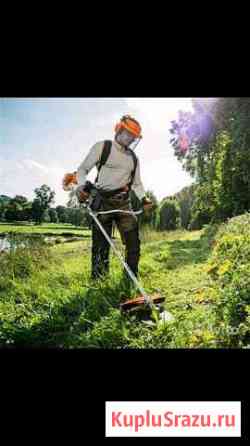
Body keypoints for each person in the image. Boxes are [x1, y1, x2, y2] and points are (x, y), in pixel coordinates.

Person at [75, 115, 153, 281]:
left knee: (133, 242)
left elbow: (137, 184)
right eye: (128, 133)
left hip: (123, 202)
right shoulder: (103, 147)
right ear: (119, 129)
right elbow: (82, 170)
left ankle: (131, 279)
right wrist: (81, 187)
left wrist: (144, 199)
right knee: (101, 246)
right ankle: (99, 282)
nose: (130, 138)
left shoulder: (133, 158)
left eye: (133, 136)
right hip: (101, 200)